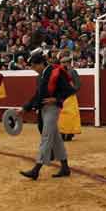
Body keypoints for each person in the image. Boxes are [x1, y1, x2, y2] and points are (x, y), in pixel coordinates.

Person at [18, 51, 75, 180]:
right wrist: (24, 108)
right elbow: (37, 95)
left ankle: (36, 169)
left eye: (33, 66)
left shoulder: (55, 72)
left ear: (40, 64)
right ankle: (65, 167)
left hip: (52, 109)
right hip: (44, 109)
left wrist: (56, 99)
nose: (33, 69)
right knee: (56, 139)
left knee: (46, 137)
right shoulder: (43, 74)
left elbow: (70, 89)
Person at [58, 56, 82, 141]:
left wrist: (72, 90)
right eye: (61, 63)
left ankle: (69, 133)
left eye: (64, 63)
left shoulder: (72, 72)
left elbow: (78, 85)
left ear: (68, 63)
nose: (62, 64)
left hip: (70, 97)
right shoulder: (60, 72)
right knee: (62, 116)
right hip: (62, 97)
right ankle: (62, 132)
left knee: (70, 115)